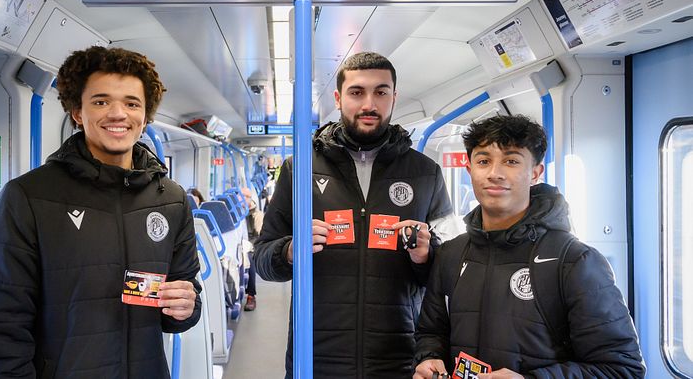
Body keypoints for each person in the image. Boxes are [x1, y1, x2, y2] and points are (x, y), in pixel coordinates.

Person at [0, 46, 201, 378]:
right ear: (77, 111)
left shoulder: (172, 200)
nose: (119, 114)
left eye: (132, 103)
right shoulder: (30, 197)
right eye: (101, 101)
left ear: (145, 117)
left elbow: (183, 299)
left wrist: (185, 308)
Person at [253, 52, 459, 378]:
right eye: (356, 92)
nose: (369, 104)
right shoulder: (300, 169)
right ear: (338, 98)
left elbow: (451, 276)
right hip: (316, 357)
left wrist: (426, 256)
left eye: (380, 92)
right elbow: (263, 260)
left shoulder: (426, 174)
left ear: (394, 97)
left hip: (400, 358)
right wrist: (290, 250)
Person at [413, 115, 645, 378]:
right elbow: (432, 332)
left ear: (535, 173)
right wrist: (429, 358)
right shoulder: (451, 254)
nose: (494, 173)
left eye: (511, 161)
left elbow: (622, 369)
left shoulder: (574, 261)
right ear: (470, 170)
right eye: (483, 161)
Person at [241, 187, 264, 311]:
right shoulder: (234, 213)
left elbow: (259, 235)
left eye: (246, 196)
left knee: (250, 258)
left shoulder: (257, 215)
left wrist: (248, 245)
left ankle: (251, 295)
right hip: (237, 243)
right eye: (241, 195)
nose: (243, 199)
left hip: (251, 244)